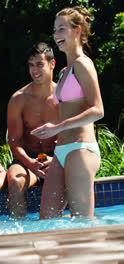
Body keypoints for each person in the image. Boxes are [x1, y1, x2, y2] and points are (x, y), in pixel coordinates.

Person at [31, 6, 104, 219]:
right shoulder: (64, 71)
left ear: (77, 30)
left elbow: (97, 110)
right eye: (54, 30)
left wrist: (59, 127)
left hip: (81, 150)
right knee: (46, 223)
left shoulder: (83, 64)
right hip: (61, 152)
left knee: (82, 223)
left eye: (62, 29)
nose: (56, 35)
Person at [6, 42, 59, 218]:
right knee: (15, 181)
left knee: (72, 179)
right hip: (28, 159)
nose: (34, 70)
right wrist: (30, 163)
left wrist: (57, 158)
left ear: (52, 64)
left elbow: (76, 134)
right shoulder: (19, 99)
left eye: (39, 64)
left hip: (58, 157)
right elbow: (13, 141)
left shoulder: (64, 96)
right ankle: (18, 232)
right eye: (31, 65)